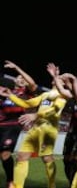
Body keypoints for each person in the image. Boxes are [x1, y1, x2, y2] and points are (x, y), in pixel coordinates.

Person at [0, 62, 70, 188]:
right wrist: (10, 95)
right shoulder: (45, 94)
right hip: (35, 129)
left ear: (63, 83)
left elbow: (55, 109)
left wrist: (36, 115)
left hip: (49, 130)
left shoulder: (63, 94)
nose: (57, 79)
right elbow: (27, 104)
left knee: (47, 158)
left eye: (60, 79)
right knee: (21, 157)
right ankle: (17, 186)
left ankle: (51, 185)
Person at [0, 60, 38, 188]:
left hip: (12, 126)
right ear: (14, 80)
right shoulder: (6, 92)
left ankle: (10, 181)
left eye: (24, 78)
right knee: (3, 155)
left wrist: (17, 68)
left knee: (5, 152)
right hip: (1, 124)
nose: (22, 79)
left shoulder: (27, 92)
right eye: (19, 77)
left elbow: (32, 83)